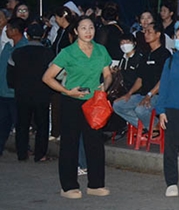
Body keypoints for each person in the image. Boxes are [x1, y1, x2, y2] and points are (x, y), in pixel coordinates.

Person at [41, 16, 113, 198]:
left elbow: (108, 74)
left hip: (93, 102)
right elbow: (47, 77)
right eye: (83, 28)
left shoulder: (101, 50)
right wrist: (67, 91)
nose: (88, 32)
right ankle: (68, 186)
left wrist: (104, 86)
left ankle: (96, 184)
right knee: (70, 144)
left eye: (91, 28)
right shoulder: (68, 52)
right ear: (76, 31)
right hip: (72, 101)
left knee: (95, 144)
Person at [152, 26, 179, 197]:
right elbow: (164, 86)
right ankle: (171, 182)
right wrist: (161, 110)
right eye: (176, 36)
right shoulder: (171, 61)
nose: (177, 40)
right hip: (173, 108)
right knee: (171, 147)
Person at [9, 22, 55, 161]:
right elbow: (55, 74)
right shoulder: (48, 54)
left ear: (27, 35)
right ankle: (40, 154)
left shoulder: (17, 53)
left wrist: (15, 86)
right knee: (42, 125)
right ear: (43, 35)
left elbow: (10, 75)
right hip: (42, 94)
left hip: (22, 93)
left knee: (22, 124)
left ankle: (22, 153)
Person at [113, 22, 171, 131]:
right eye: (145, 32)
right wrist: (129, 94)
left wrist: (149, 95)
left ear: (158, 34)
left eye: (149, 32)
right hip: (143, 94)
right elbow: (140, 78)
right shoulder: (146, 54)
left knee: (141, 110)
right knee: (118, 105)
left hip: (158, 96)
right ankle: (149, 126)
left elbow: (164, 80)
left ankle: (154, 128)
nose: (146, 34)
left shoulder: (164, 54)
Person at [0, 18, 27, 156]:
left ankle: (23, 150)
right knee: (2, 123)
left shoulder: (25, 48)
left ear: (16, 31)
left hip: (16, 93)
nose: (6, 31)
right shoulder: (7, 46)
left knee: (20, 124)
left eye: (9, 28)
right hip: (3, 92)